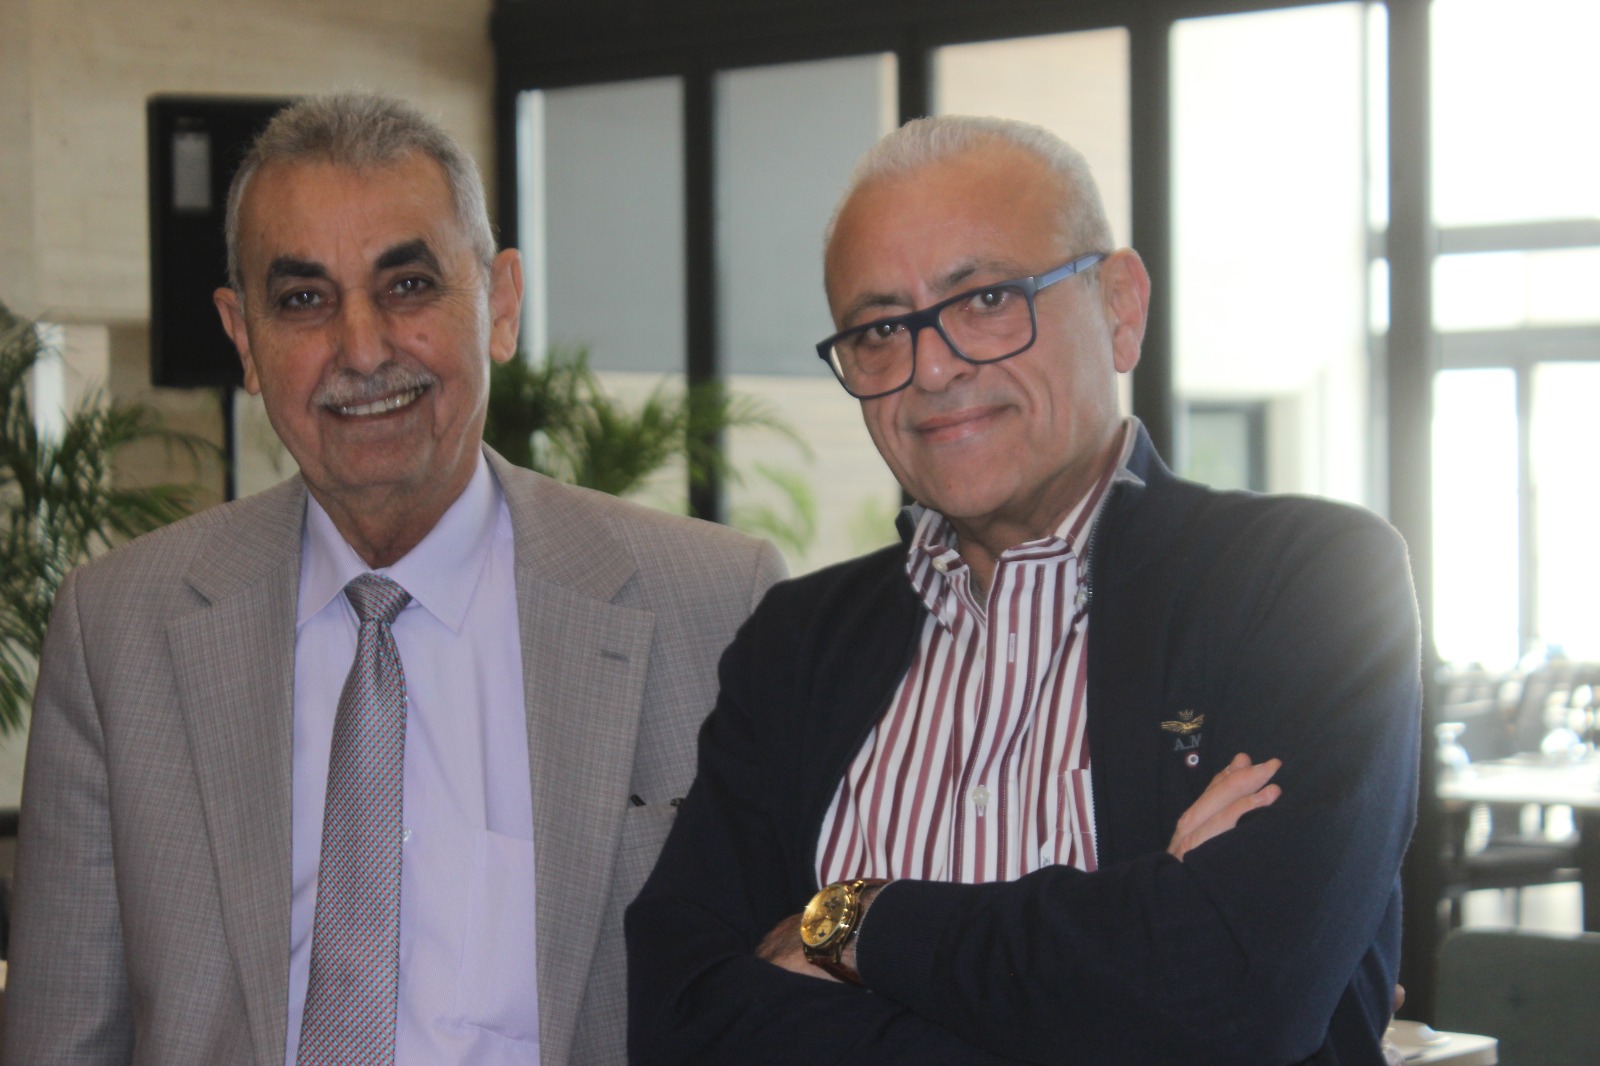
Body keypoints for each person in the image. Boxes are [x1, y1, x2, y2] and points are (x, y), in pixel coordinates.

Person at [3, 92, 783, 1066]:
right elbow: (63, 1036)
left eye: (408, 286)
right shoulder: (118, 629)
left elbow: (782, 1006)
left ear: (501, 304)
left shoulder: (715, 606)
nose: (363, 349)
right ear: (243, 338)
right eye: (303, 300)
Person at [627, 115, 1420, 1064]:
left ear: (1120, 308)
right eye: (879, 330)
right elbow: (681, 1015)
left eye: (988, 299)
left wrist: (852, 922)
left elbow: (1237, 993)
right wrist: (1115, 954)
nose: (933, 368)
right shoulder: (797, 643)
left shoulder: (1305, 585)